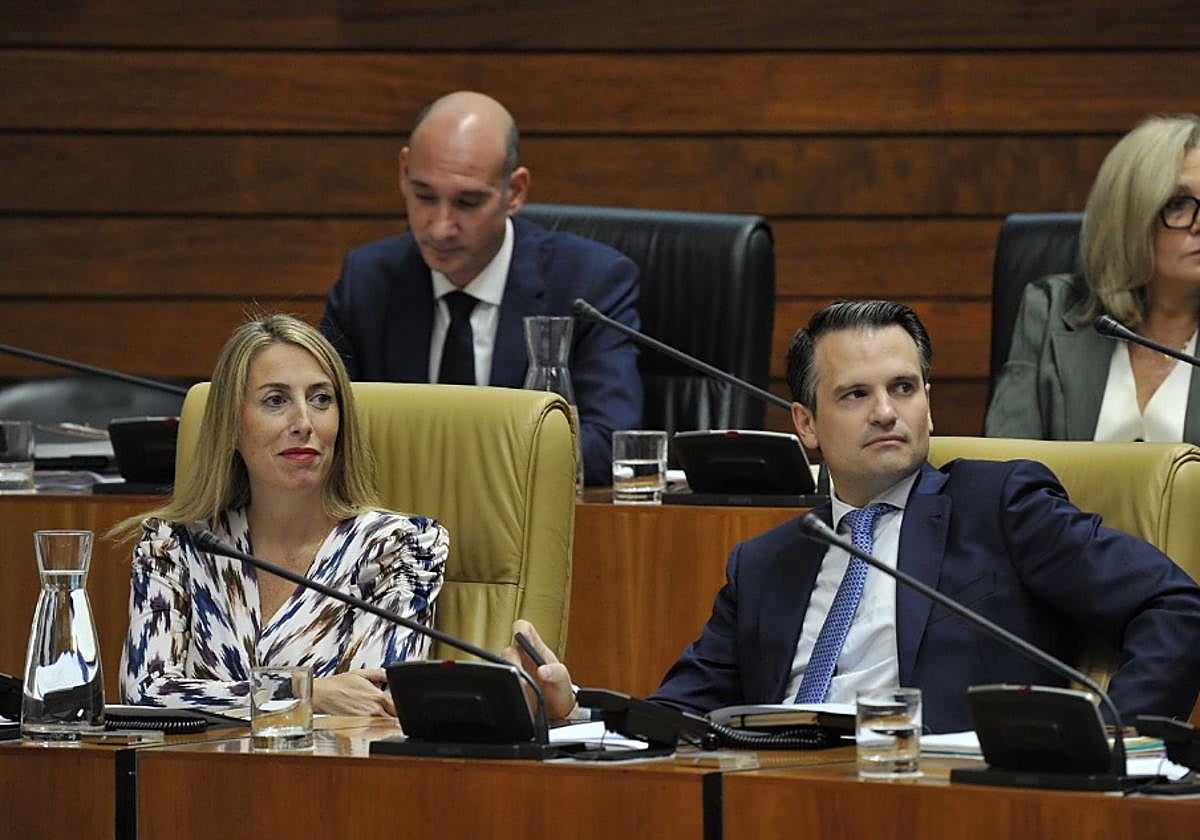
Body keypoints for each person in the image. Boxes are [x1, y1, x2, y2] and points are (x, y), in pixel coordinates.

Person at [505, 300, 1200, 733]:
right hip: (774, 799)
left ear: (930, 400)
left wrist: (1114, 736)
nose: (887, 412)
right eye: (856, 395)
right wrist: (576, 710)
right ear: (806, 425)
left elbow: (1175, 604)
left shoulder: (1001, 506)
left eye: (904, 387)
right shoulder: (767, 562)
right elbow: (680, 715)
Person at [115, 314, 447, 715]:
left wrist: (234, 698)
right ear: (232, 426)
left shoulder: (397, 548)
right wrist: (306, 693)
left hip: (332, 772)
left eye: (321, 399)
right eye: (276, 401)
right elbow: (146, 691)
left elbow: (378, 701)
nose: (304, 423)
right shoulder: (175, 546)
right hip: (195, 773)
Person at [319, 90, 643, 486]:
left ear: (515, 192)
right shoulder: (367, 281)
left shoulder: (588, 283)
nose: (440, 227)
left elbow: (609, 442)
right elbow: (323, 424)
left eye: (467, 203)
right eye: (423, 196)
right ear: (403, 171)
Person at [986, 114, 1200, 443]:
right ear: (1128, 215)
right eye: (1178, 204)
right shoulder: (1050, 311)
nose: (1198, 223)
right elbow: (1004, 463)